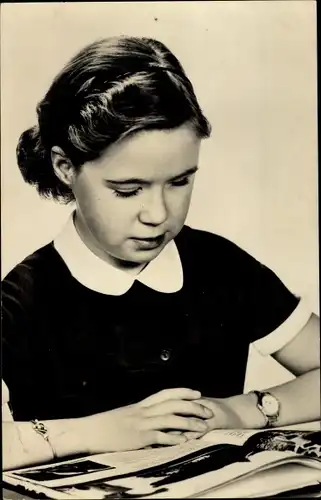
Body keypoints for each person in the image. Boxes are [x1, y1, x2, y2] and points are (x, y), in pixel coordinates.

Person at [2, 36, 320, 471]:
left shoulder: (221, 265)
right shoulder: (22, 298)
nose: (158, 214)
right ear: (65, 168)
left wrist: (239, 411)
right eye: (128, 190)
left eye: (179, 182)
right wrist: (101, 430)